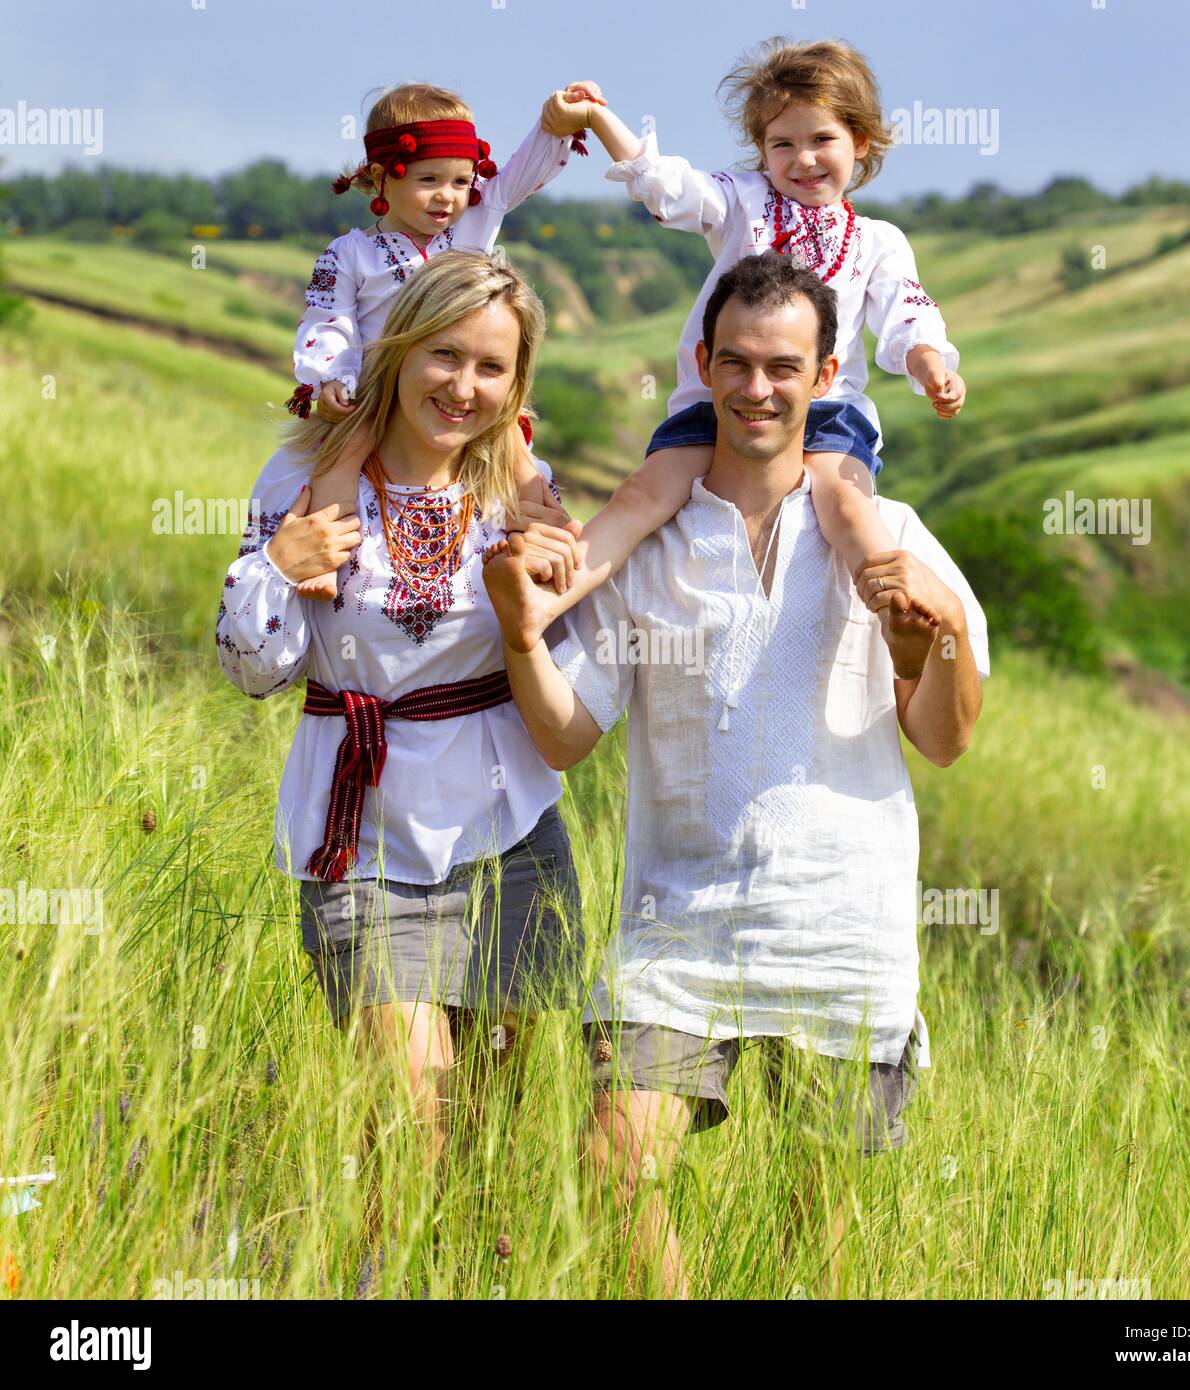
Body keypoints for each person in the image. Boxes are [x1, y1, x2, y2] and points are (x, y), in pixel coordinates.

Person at [482, 251, 989, 1297]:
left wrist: (928, 646)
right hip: (677, 928)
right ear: (704, 363)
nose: (760, 389)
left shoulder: (887, 539)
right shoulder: (652, 547)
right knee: (614, 1168)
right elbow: (567, 737)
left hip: (842, 930)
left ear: (827, 374)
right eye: (741, 363)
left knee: (820, 1234)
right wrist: (524, 637)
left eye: (785, 367)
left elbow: (943, 738)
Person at [215, 250, 584, 1245]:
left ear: (516, 384)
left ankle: (457, 1274)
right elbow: (253, 672)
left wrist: (554, 592)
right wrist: (280, 570)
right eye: (444, 355)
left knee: (488, 1137)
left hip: (511, 838)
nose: (463, 385)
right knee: (411, 1114)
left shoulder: (523, 488)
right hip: (362, 836)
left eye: (491, 367)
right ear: (401, 348)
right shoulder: (306, 479)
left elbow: (573, 672)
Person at [514, 34, 966, 634]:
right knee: (641, 495)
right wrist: (599, 118)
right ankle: (552, 600)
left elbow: (907, 312)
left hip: (826, 412)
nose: (803, 160)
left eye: (821, 140)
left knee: (848, 503)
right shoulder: (743, 201)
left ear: (860, 141)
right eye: (783, 144)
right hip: (717, 403)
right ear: (761, 149)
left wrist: (930, 363)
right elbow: (666, 184)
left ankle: (896, 615)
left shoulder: (878, 242)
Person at [282, 79, 598, 600]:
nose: (448, 197)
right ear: (383, 177)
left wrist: (553, 125)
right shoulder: (351, 253)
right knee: (342, 456)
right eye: (429, 179)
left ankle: (541, 527)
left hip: (454, 383)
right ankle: (329, 557)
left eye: (459, 181)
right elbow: (326, 317)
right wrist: (331, 377)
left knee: (513, 449)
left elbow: (521, 171)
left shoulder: (477, 219)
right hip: (375, 392)